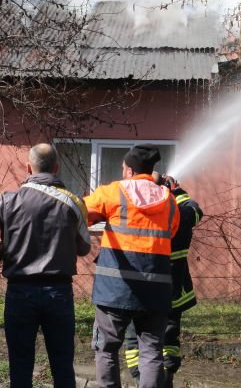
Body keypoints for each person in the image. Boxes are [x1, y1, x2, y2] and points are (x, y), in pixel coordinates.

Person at [0, 143, 91, 388]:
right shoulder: (74, 203)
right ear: (57, 168)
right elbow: (84, 248)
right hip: (59, 293)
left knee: (20, 364)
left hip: (20, 292)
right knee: (62, 364)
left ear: (29, 168)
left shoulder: (10, 201)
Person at [85, 144, 179, 388]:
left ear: (128, 170)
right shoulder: (169, 201)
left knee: (106, 349)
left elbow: (80, 213)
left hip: (115, 290)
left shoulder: (113, 192)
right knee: (151, 353)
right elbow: (173, 230)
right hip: (155, 292)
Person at [123, 175, 203, 388]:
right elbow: (194, 210)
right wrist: (177, 191)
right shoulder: (179, 215)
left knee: (135, 338)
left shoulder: (138, 212)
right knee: (168, 338)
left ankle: (141, 379)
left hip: (139, 291)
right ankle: (165, 377)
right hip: (172, 292)